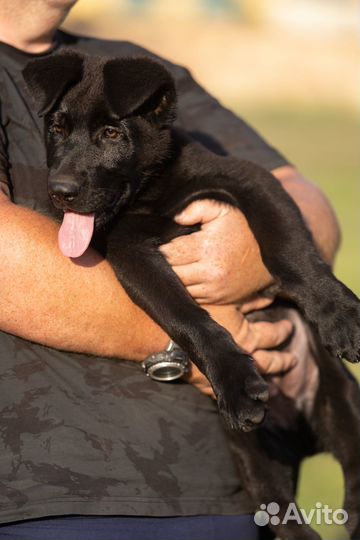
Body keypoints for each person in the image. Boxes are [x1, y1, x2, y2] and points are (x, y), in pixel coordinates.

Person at [0, 1, 340, 539]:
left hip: (225, 486)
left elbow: (308, 203)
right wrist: (217, 343)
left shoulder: (138, 69)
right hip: (50, 498)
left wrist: (245, 251)